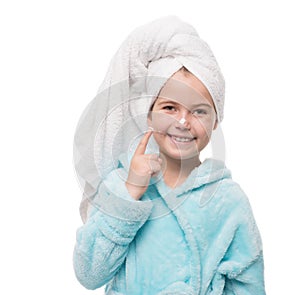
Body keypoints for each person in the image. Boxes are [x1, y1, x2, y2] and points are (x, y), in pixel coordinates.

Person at [73, 16, 266, 295]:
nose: (184, 122)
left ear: (215, 121)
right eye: (169, 108)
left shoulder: (228, 200)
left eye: (199, 111)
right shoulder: (121, 184)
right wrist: (130, 192)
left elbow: (249, 284)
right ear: (148, 114)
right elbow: (89, 274)